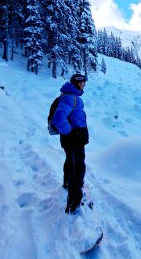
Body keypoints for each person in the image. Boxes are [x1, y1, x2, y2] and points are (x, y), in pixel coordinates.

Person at [52, 74, 89, 213]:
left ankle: (68, 183)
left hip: (73, 139)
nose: (84, 84)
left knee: (70, 162)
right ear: (78, 83)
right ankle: (74, 201)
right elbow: (58, 118)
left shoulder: (70, 96)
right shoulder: (70, 97)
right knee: (78, 167)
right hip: (75, 139)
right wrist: (69, 132)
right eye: (83, 82)